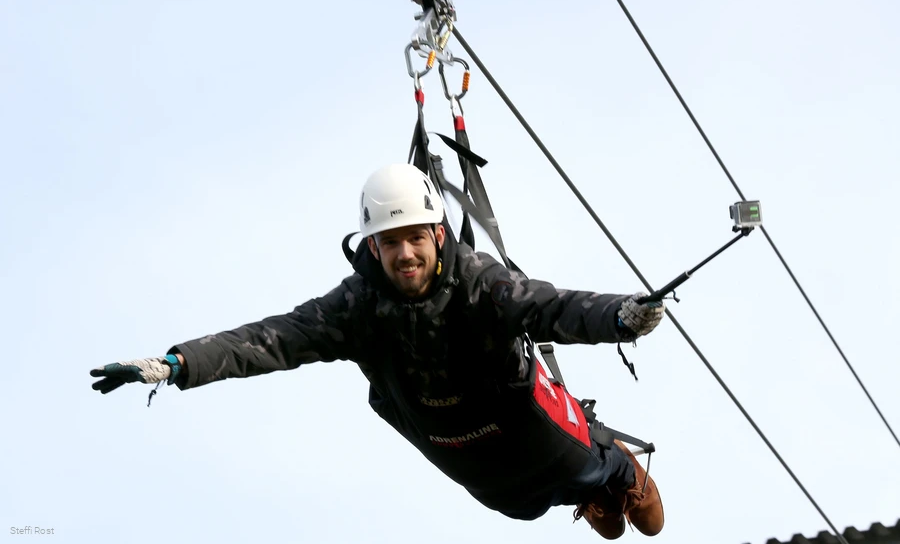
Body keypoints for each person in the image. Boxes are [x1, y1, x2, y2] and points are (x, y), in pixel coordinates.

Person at [90, 163, 666, 539]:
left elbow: (553, 308)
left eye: (416, 237)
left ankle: (613, 470)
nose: (406, 254)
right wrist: (175, 363)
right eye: (391, 243)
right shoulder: (355, 307)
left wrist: (621, 316)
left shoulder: (478, 283)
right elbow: (267, 341)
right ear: (373, 245)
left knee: (574, 463)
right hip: (446, 436)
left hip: (514, 414)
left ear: (438, 235)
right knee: (514, 505)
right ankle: (585, 493)